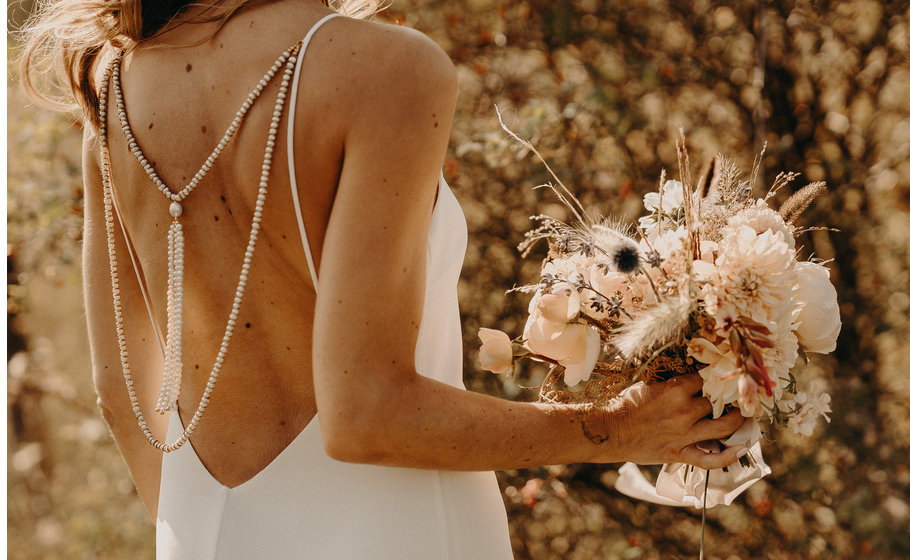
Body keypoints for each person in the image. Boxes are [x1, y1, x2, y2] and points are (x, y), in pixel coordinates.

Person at [20, 0, 746, 557]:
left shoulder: (113, 95)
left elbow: (122, 395)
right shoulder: (382, 68)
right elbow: (367, 408)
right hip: (400, 531)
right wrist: (613, 429)